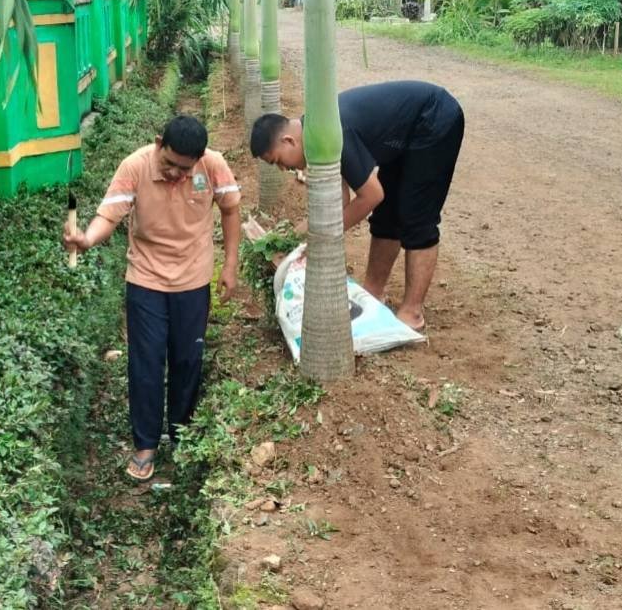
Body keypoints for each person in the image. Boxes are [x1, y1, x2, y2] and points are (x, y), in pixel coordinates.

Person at [64, 115, 242, 481]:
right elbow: (108, 216)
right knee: (145, 362)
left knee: (187, 358)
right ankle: (145, 444)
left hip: (193, 280)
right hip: (145, 280)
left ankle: (181, 435)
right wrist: (87, 239)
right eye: (170, 164)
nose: (177, 173)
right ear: (159, 142)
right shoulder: (135, 166)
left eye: (184, 167)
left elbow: (230, 209)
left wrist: (230, 265)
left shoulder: (213, 165)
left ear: (199, 158)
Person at [249, 80, 464, 331]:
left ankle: (412, 312)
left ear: (288, 141)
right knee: (387, 217)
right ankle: (373, 292)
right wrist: (293, 238)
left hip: (434, 119)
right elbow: (339, 204)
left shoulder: (334, 129)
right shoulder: (318, 132)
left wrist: (319, 238)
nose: (284, 169)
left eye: (277, 161)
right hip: (403, 134)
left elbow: (371, 195)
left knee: (416, 217)